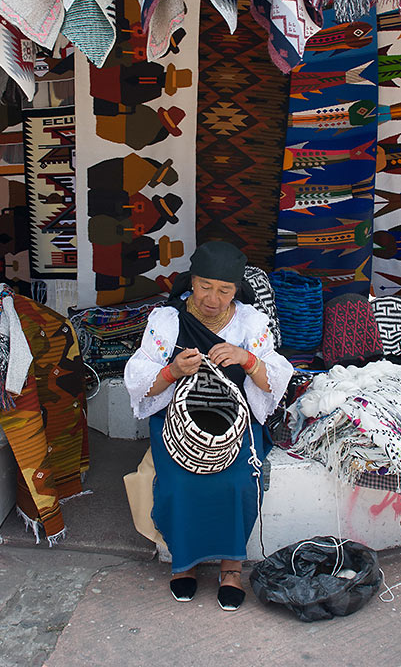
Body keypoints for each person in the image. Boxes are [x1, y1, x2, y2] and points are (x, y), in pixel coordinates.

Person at [124, 241, 293, 610]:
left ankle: (231, 566)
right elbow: (138, 379)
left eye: (224, 290)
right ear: (191, 282)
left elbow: (275, 381)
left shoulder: (251, 323)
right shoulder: (166, 321)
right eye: (204, 287)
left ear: (236, 291)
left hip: (236, 423)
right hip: (177, 423)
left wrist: (247, 359)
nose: (213, 299)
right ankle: (184, 562)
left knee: (236, 483)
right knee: (178, 481)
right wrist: (172, 371)